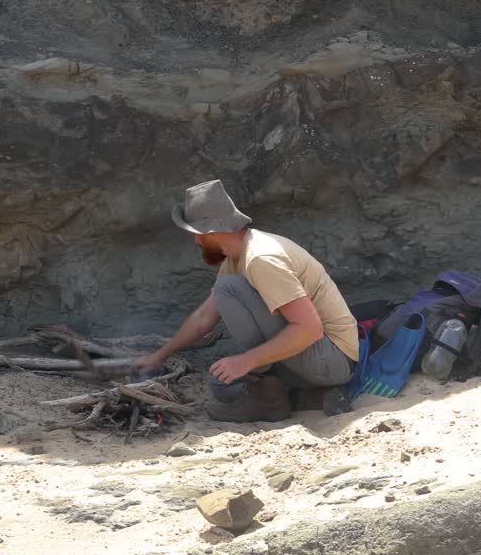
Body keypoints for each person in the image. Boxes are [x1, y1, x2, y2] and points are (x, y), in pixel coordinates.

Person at [134, 179, 361, 421]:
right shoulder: (236, 257)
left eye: (196, 235)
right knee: (220, 384)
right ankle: (310, 397)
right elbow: (203, 317)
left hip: (333, 361)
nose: (196, 242)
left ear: (210, 232)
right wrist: (159, 356)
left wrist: (245, 362)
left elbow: (310, 329)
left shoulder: (261, 258)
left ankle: (269, 398)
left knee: (228, 290)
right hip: (315, 359)